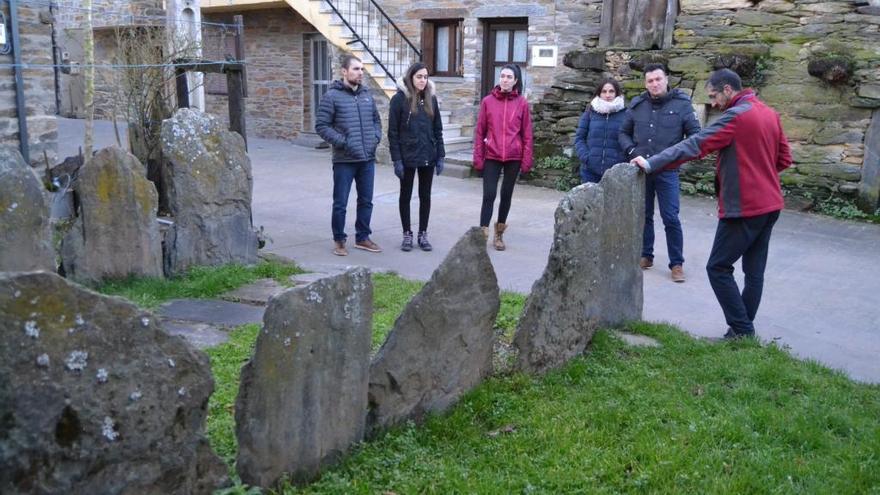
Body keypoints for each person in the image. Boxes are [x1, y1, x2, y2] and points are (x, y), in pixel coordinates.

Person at [631, 68, 792, 340]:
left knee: (718, 268)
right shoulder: (769, 113)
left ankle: (741, 330)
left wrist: (651, 163)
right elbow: (784, 160)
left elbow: (695, 144)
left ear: (728, 90)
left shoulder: (735, 117)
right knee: (754, 272)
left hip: (745, 207)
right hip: (771, 204)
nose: (714, 103)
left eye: (714, 96)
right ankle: (741, 332)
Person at [619, 63, 701, 282]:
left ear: (666, 79)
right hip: (641, 171)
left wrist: (676, 157)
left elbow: (695, 136)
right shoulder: (637, 105)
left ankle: (676, 264)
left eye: (658, 79)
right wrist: (632, 152)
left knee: (671, 217)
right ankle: (646, 255)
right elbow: (623, 133)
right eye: (650, 81)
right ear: (646, 83)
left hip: (668, 171)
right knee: (644, 215)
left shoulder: (682, 105)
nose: (654, 84)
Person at [315, 54, 383, 256]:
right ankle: (339, 240)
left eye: (362, 69)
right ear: (344, 71)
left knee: (366, 201)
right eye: (356, 69)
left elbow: (376, 121)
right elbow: (321, 126)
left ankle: (362, 238)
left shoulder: (367, 95)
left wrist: (375, 139)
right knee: (341, 203)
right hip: (344, 160)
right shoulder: (332, 96)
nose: (360, 73)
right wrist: (343, 142)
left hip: (367, 159)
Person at [473, 64, 534, 251]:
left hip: (513, 157)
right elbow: (480, 130)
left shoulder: (522, 103)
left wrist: (526, 159)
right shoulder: (487, 101)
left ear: (516, 81)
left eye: (509, 77)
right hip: (492, 154)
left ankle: (499, 234)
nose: (505, 80)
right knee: (489, 195)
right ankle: (482, 233)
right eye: (502, 76)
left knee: (506, 196)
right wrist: (478, 156)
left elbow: (527, 134)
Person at [387, 62, 445, 252]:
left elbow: (438, 130)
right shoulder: (399, 100)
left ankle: (422, 233)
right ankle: (407, 234)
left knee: (425, 196)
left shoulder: (431, 100)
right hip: (407, 156)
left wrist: (440, 156)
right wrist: (396, 159)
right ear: (411, 78)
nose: (422, 80)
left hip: (428, 153)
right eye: (419, 76)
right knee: (405, 195)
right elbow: (393, 133)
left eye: (425, 77)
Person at [574, 77, 627, 184]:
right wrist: (587, 158)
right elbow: (579, 138)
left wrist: (621, 160)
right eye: (604, 91)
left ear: (617, 93)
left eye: (611, 91)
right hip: (590, 171)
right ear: (599, 93)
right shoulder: (590, 113)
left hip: (616, 172)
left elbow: (631, 140)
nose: (608, 95)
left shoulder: (626, 114)